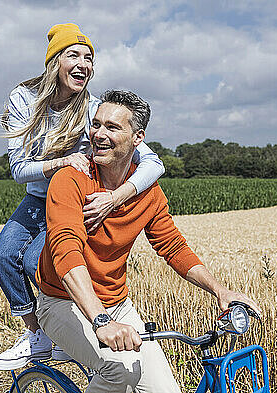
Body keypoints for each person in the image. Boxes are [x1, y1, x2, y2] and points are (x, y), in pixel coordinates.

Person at [35, 90, 262, 392]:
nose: (98, 135)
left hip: (117, 304)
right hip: (63, 302)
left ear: (137, 137)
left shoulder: (146, 191)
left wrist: (219, 290)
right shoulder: (71, 179)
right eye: (96, 124)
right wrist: (101, 320)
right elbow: (65, 250)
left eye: (112, 127)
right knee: (119, 373)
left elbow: (173, 246)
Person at [0, 24, 165, 370]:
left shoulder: (93, 108)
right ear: (54, 61)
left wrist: (117, 196)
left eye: (89, 58)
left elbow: (153, 162)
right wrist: (60, 161)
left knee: (38, 263)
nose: (84, 63)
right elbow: (18, 170)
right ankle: (36, 335)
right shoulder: (22, 99)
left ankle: (69, 335)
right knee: (3, 255)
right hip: (38, 195)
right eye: (74, 55)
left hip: (72, 196)